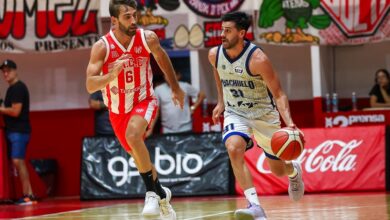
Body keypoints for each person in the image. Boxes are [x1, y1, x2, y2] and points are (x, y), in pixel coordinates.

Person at [85, 1, 184, 219]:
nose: (133, 21)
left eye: (134, 15)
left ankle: (150, 193)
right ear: (114, 20)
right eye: (127, 17)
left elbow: (162, 58)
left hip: (144, 99)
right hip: (117, 109)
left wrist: (175, 88)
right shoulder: (102, 47)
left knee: (133, 135)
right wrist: (112, 74)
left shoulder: (147, 38)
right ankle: (162, 195)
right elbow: (90, 85)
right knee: (140, 158)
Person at [208, 12, 304, 219]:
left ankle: (293, 171)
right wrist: (221, 101)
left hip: (264, 116)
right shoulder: (214, 54)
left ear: (241, 33)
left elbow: (279, 94)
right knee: (233, 148)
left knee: (278, 171)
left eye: (227, 30)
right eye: (221, 29)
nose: (222, 34)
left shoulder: (258, 59)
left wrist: (290, 123)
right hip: (236, 113)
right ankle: (255, 206)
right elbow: (219, 74)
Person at [0, 59, 37, 205]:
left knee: (18, 160)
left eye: (8, 70)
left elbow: (16, 111)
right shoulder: (12, 89)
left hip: (19, 131)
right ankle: (27, 193)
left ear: (16, 71)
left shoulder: (18, 88)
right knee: (17, 161)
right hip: (13, 131)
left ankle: (28, 194)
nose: (6, 73)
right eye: (3, 71)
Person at [149, 70, 205, 135]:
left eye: (171, 75)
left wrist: (193, 108)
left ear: (178, 76)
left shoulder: (185, 86)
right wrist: (150, 129)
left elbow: (202, 95)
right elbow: (156, 111)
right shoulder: (158, 89)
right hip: (167, 130)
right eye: (166, 75)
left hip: (186, 128)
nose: (168, 77)